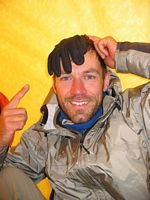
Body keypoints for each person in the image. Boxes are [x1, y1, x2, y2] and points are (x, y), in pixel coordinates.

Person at [0, 35, 149, 200]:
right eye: (66, 78)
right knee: (7, 177)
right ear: (55, 86)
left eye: (89, 76)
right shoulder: (44, 136)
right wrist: (1, 140)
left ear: (105, 80)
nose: (78, 91)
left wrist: (122, 54)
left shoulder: (136, 110)